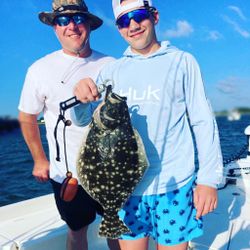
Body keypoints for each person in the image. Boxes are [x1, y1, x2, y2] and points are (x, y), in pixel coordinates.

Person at [72, 0, 223, 249]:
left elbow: (202, 120)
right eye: (123, 21)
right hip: (128, 192)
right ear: (118, 28)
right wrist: (79, 98)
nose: (132, 25)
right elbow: (83, 119)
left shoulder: (183, 62)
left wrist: (208, 180)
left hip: (174, 184)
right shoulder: (112, 71)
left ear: (154, 16)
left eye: (139, 15)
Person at [18, 0, 119, 249]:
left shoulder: (113, 65)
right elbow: (27, 116)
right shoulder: (39, 70)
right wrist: (40, 159)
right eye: (62, 21)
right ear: (55, 28)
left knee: (116, 225)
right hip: (68, 174)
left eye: (78, 19)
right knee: (77, 229)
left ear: (89, 26)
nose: (71, 26)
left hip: (111, 170)